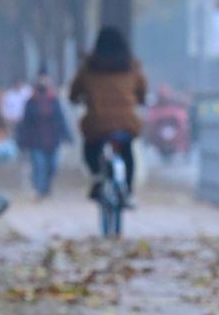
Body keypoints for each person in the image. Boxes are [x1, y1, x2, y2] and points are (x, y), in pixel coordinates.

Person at [69, 26, 146, 203]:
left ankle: (97, 177)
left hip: (97, 124)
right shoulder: (132, 67)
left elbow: (74, 93)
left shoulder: (89, 68)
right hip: (126, 123)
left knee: (90, 148)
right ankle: (128, 191)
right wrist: (137, 99)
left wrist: (78, 98)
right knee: (127, 152)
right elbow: (142, 90)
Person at [16, 71, 72, 199]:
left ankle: (46, 188)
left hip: (52, 140)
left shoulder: (54, 100)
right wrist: (22, 140)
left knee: (52, 166)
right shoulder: (30, 102)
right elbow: (25, 123)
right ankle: (39, 190)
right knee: (39, 166)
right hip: (35, 141)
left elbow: (60, 119)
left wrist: (67, 135)